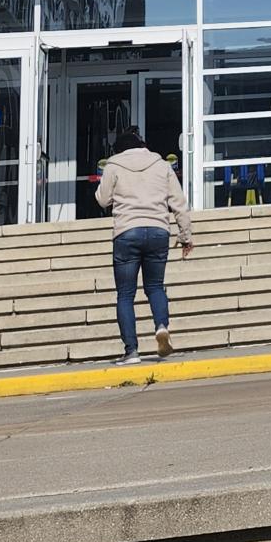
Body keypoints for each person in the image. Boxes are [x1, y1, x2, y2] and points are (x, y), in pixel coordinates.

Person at [94, 125, 194, 364]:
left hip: (127, 232)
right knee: (156, 287)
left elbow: (102, 199)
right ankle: (161, 326)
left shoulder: (113, 165)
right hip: (158, 230)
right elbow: (179, 202)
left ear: (118, 150)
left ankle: (131, 352)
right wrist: (186, 236)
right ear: (143, 146)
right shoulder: (161, 165)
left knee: (126, 294)